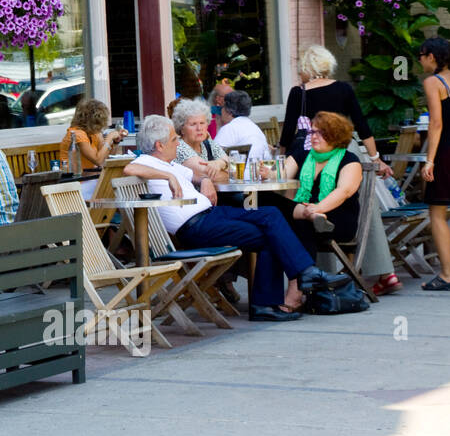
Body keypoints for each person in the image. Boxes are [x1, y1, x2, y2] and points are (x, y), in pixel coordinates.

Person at [122, 115, 342, 322]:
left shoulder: (170, 163)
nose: (178, 143)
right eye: (173, 139)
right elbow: (128, 168)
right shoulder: (147, 163)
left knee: (272, 214)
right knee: (272, 235)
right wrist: (167, 176)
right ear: (159, 145)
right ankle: (288, 287)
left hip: (211, 214)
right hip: (196, 226)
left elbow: (198, 174)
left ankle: (298, 279)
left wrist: (205, 180)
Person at [278, 44, 397, 294]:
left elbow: (289, 131)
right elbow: (362, 124)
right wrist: (375, 157)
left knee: (308, 201)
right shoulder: (342, 88)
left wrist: (281, 157)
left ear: (306, 68)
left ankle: (322, 273)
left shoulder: (298, 93)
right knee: (363, 205)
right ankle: (384, 270)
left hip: (307, 154)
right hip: (346, 150)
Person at [265, 112, 363, 310]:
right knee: (265, 201)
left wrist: (317, 209)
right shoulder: (303, 155)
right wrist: (266, 174)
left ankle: (295, 293)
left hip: (336, 219)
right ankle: (304, 214)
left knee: (300, 224)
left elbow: (343, 192)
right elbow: (278, 176)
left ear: (336, 136)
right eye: (312, 131)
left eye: (321, 133)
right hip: (305, 214)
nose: (313, 136)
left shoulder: (349, 160)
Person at [419, 37, 450, 292]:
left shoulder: (433, 82)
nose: (420, 60)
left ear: (432, 57)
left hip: (446, 153)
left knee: (437, 213)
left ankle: (448, 274)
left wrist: (429, 160)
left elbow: (436, 123)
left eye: (421, 55)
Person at [60, 99, 128, 198]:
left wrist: (115, 142)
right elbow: (98, 161)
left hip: (90, 179)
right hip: (75, 184)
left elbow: (106, 158)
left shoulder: (93, 133)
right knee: (119, 189)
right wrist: (109, 138)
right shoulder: (77, 134)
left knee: (121, 186)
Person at [172, 97, 231, 185]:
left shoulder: (208, 144)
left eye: (202, 123)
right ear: (182, 129)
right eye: (193, 124)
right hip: (191, 197)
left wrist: (219, 163)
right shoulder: (179, 147)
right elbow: (212, 176)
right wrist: (226, 168)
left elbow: (235, 170)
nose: (199, 128)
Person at [213, 90, 271, 163]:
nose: (221, 111)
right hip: (258, 171)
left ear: (229, 111)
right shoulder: (253, 126)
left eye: (223, 107)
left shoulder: (230, 128)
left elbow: (212, 157)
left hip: (240, 172)